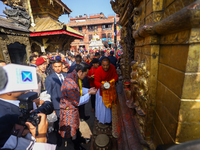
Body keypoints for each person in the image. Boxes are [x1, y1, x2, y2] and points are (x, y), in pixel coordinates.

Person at [0, 66, 55, 150]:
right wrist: (39, 139)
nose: (28, 89)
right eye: (22, 87)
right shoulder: (3, 116)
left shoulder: (27, 100)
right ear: (9, 92)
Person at [59, 63, 97, 150]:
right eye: (85, 74)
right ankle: (77, 146)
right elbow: (77, 101)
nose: (86, 76)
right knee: (73, 131)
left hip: (73, 109)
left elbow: (78, 89)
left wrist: (88, 90)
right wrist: (89, 93)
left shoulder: (74, 76)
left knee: (76, 127)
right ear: (80, 72)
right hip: (69, 110)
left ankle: (79, 140)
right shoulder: (70, 83)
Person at [45, 59, 68, 148]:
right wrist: (52, 109)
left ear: (62, 66)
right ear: (53, 67)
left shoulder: (66, 76)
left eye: (59, 66)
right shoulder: (49, 78)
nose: (58, 68)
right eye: (56, 67)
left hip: (67, 104)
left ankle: (67, 136)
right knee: (58, 124)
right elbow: (48, 94)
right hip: (57, 106)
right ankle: (59, 140)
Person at [94, 57, 118, 124]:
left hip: (110, 89)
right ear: (101, 64)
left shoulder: (112, 67)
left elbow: (116, 76)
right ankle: (103, 120)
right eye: (104, 65)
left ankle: (110, 119)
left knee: (110, 105)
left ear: (109, 64)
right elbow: (96, 82)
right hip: (102, 91)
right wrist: (100, 85)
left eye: (107, 65)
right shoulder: (98, 70)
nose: (105, 67)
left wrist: (111, 82)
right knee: (103, 107)